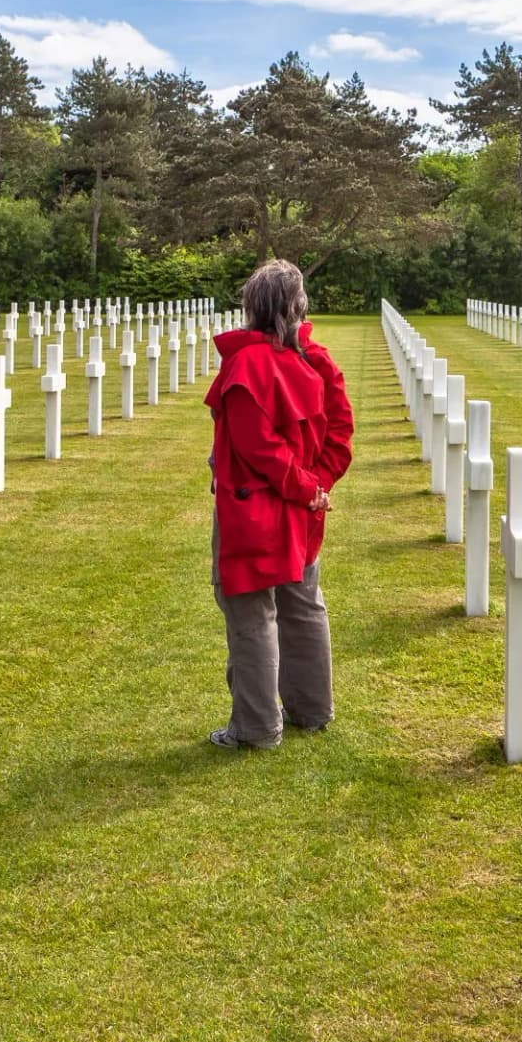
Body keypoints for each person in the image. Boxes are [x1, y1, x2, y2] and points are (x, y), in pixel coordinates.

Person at [203, 259, 354, 749]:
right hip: (301, 505)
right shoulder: (317, 360)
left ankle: (256, 726)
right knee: (302, 602)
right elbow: (340, 433)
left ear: (254, 306)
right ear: (297, 305)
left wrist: (307, 487)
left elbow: (259, 449)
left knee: (251, 613)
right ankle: (311, 709)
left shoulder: (247, 365)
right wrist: (317, 485)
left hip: (256, 511)